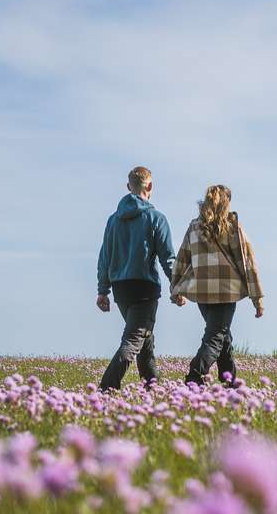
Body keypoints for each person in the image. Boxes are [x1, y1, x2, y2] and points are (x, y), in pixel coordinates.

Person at [170, 184, 265, 386]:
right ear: (226, 202)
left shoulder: (194, 227)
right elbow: (248, 262)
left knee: (223, 336)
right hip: (226, 291)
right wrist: (257, 298)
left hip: (202, 292)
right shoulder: (233, 227)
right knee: (215, 336)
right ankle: (194, 377)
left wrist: (175, 288)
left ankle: (229, 381)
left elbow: (182, 259)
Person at [95, 166, 176, 391]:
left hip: (121, 289)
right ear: (149, 186)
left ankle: (153, 387)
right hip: (144, 288)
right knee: (133, 340)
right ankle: (106, 387)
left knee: (145, 341)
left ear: (129, 187)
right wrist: (177, 286)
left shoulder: (113, 220)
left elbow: (105, 257)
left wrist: (103, 290)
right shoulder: (156, 218)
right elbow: (168, 258)